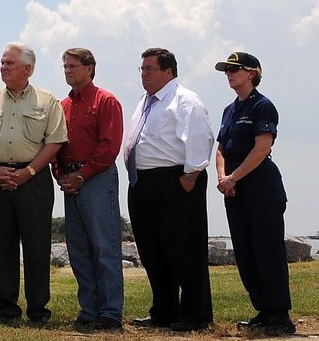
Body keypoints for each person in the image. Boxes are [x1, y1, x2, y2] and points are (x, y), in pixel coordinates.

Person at [0, 42, 66, 325]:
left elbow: (54, 142)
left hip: (33, 180)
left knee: (36, 247)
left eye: (9, 63)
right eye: (2, 62)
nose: (3, 68)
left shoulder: (48, 101)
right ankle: (7, 310)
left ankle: (38, 311)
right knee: (0, 246)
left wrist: (28, 172)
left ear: (27, 69)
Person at [124, 47, 214, 332]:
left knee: (185, 249)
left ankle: (194, 314)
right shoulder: (145, 101)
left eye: (149, 68)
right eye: (141, 69)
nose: (143, 74)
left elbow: (201, 138)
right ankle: (163, 311)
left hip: (176, 180)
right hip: (143, 182)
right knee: (153, 251)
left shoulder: (185, 100)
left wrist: (189, 177)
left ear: (168, 71)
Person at [214, 52, 295, 335]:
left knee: (267, 251)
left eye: (235, 70)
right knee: (246, 252)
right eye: (227, 70)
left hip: (260, 187)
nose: (229, 74)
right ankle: (263, 310)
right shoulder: (229, 109)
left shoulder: (263, 106)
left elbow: (262, 148)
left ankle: (279, 315)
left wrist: (233, 177)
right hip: (234, 189)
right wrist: (223, 178)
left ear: (252, 73)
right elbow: (221, 148)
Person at [54, 48, 124, 330]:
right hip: (71, 182)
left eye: (73, 66)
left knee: (104, 247)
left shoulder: (106, 101)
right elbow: (56, 145)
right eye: (65, 66)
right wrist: (61, 175)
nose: (68, 70)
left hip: (96, 178)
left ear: (90, 68)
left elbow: (109, 147)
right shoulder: (62, 106)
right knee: (79, 249)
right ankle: (89, 309)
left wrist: (81, 176)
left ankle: (110, 312)